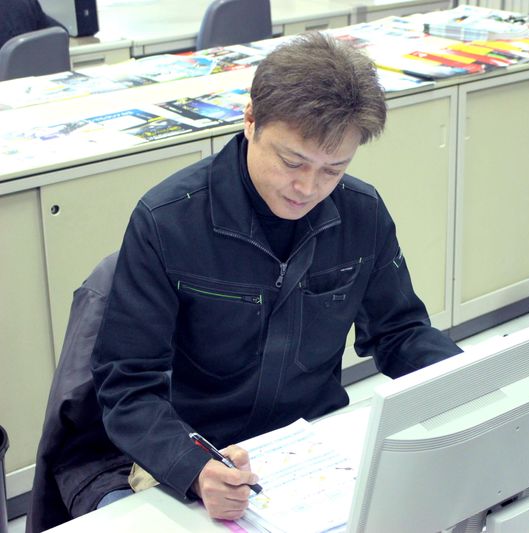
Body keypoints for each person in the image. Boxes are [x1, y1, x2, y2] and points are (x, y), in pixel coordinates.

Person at [91, 32, 462, 520]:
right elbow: (127, 385)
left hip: (314, 447)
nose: (307, 188)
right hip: (196, 452)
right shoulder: (168, 221)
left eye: (333, 170)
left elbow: (400, 332)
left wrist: (474, 384)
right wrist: (195, 468)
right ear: (250, 120)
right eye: (292, 162)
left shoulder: (362, 213)